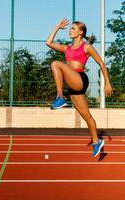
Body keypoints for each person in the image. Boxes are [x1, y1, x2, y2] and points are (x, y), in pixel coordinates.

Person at [46, 19, 112, 157]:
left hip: (80, 79)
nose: (70, 30)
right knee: (86, 116)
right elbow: (49, 43)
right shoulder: (67, 48)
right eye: (70, 29)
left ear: (81, 32)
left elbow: (101, 63)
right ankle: (96, 142)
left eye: (73, 28)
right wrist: (57, 26)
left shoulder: (86, 47)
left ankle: (60, 97)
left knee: (55, 63)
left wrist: (107, 82)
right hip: (73, 85)